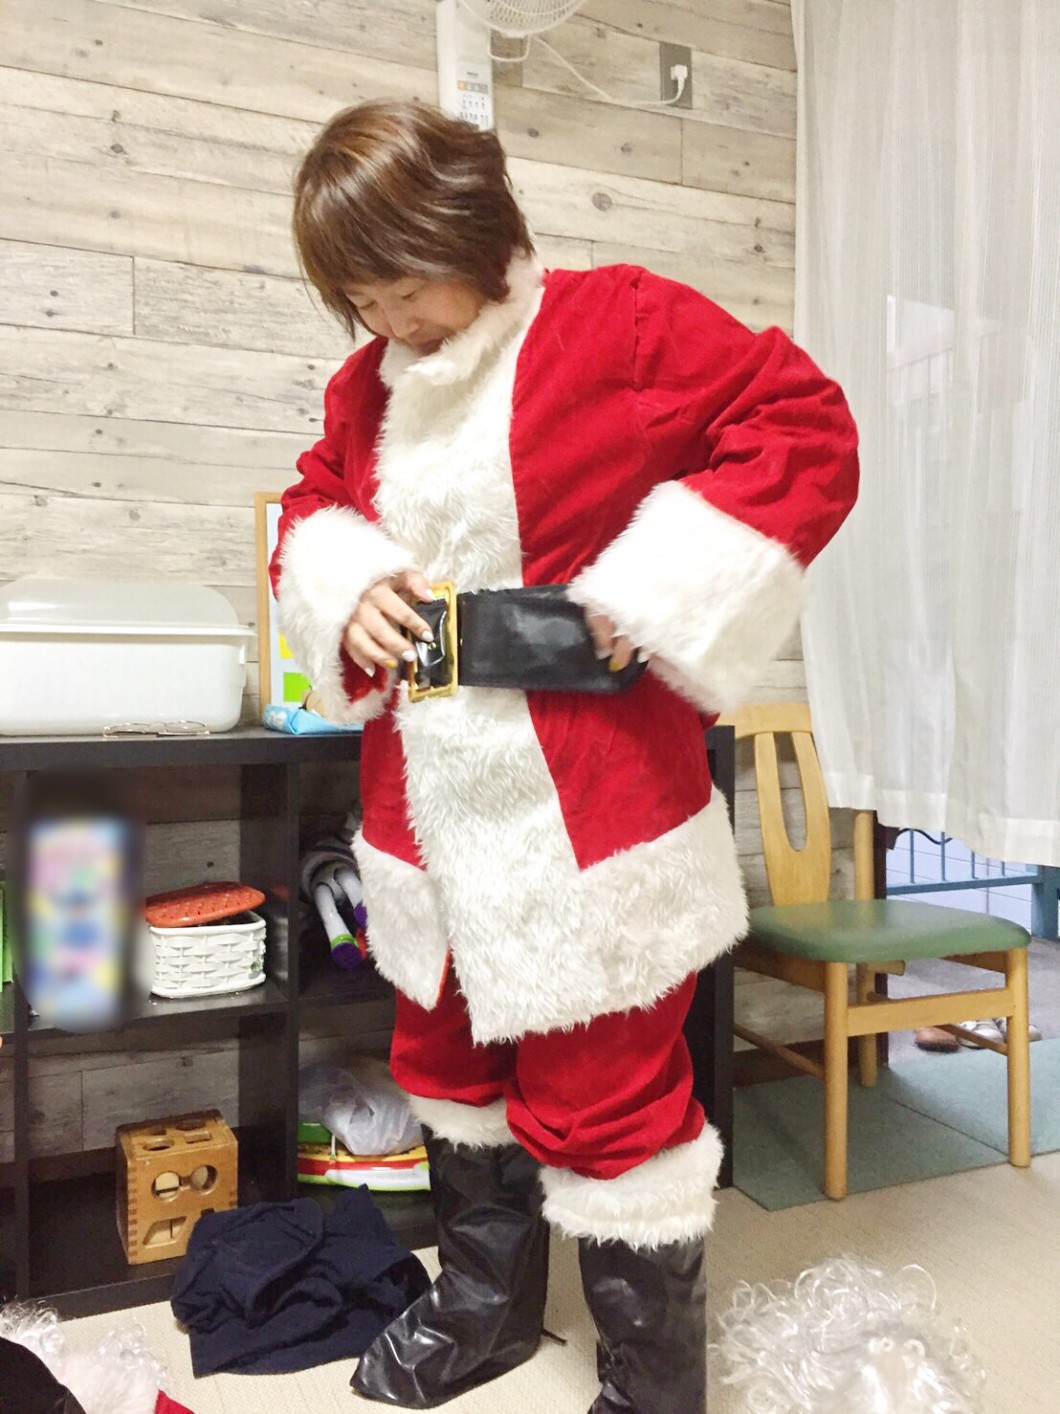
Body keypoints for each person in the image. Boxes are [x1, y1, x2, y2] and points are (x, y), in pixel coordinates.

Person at [272, 99, 859, 1413]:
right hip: (423, 814)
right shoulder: (363, 391)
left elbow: (803, 425)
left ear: (474, 233)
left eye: (407, 288)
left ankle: (653, 1385)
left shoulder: (620, 324)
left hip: (592, 811)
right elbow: (313, 503)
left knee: (612, 1101)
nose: (391, 324)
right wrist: (343, 580)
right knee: (448, 1073)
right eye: (363, 302)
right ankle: (483, 1309)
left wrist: (659, 586)